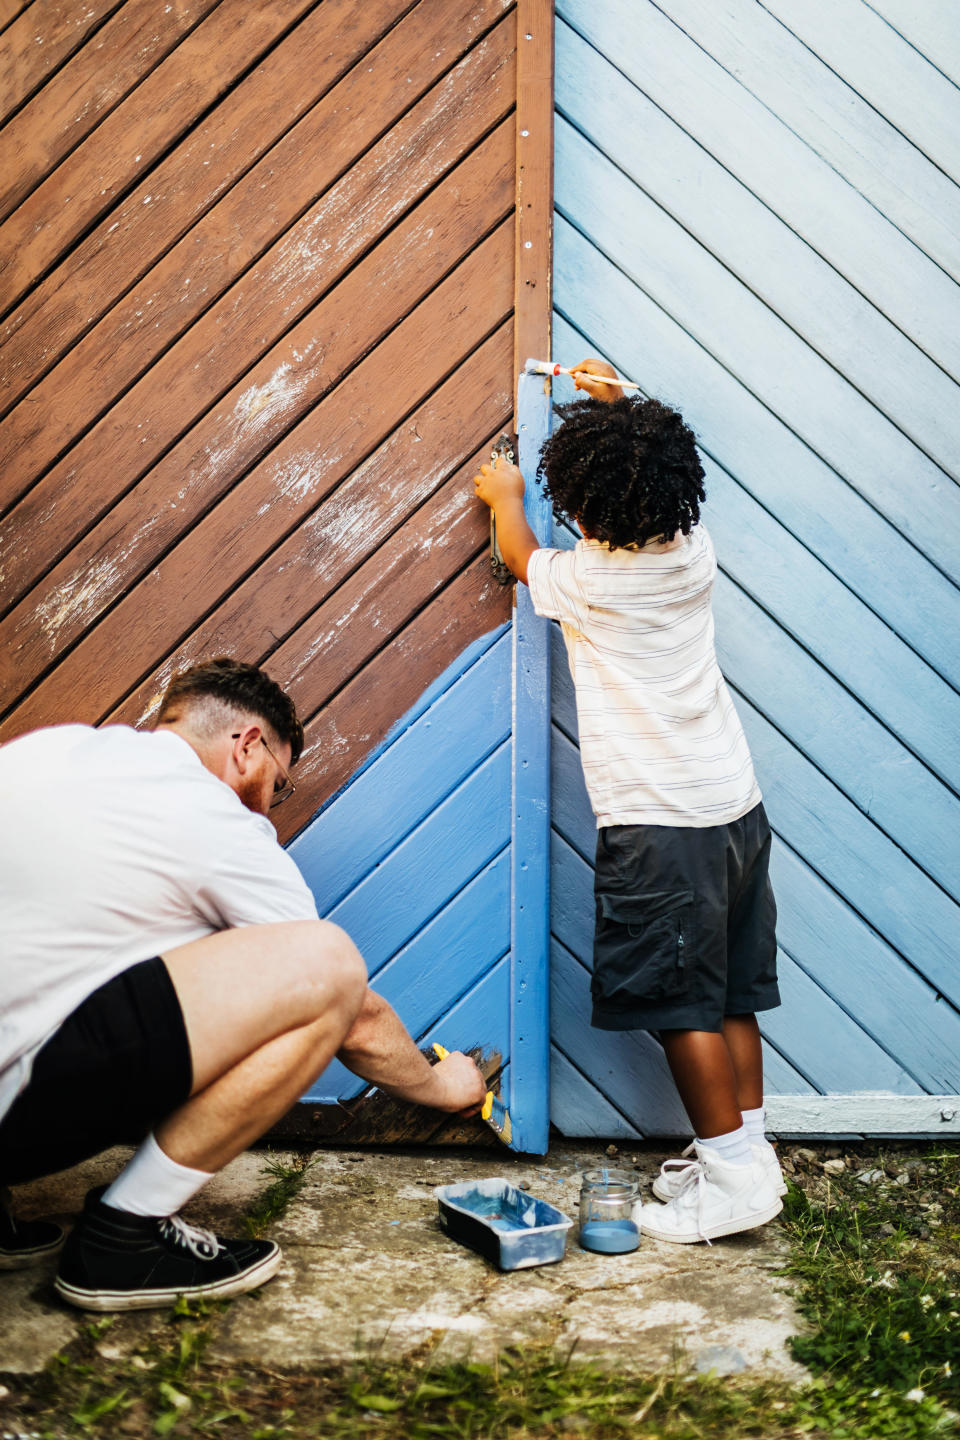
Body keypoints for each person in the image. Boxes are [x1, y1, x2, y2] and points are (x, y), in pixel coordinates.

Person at [0, 658, 485, 1308]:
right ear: (248, 745)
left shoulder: (50, 751)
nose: (271, 806)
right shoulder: (213, 816)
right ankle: (124, 1236)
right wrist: (441, 1085)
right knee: (327, 964)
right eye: (278, 786)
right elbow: (351, 1010)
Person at [473, 360, 784, 1243]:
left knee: (680, 1009)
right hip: (732, 807)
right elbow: (640, 471)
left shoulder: (591, 583)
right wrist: (618, 402)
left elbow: (521, 557)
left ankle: (731, 1182)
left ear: (589, 507)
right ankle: (745, 1151)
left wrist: (503, 497)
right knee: (731, 997)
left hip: (660, 826)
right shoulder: (690, 550)